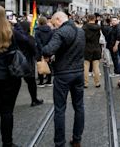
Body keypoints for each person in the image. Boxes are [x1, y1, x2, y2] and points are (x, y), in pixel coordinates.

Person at [42, 12, 85, 147]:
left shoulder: (61, 33)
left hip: (63, 74)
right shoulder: (81, 32)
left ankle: (59, 143)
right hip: (78, 72)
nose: (55, 27)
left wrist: (46, 52)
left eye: (55, 24)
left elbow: (48, 50)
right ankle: (77, 139)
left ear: (59, 19)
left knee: (60, 109)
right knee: (79, 107)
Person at [0, 6, 29, 147]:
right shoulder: (10, 33)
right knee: (7, 111)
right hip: (8, 78)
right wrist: (15, 24)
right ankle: (7, 143)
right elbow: (26, 40)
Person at [19, 21, 44, 107]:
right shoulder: (29, 38)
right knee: (31, 82)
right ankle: (34, 100)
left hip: (15, 63)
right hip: (27, 63)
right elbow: (34, 50)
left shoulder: (15, 37)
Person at [82, 14, 101, 88]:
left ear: (88, 18)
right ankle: (97, 83)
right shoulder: (98, 27)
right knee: (96, 66)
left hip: (87, 48)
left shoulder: (84, 27)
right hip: (96, 47)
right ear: (95, 18)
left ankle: (85, 83)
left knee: (86, 66)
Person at [35, 16, 54, 87]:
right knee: (49, 65)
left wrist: (42, 50)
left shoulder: (37, 31)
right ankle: (49, 81)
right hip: (48, 50)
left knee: (40, 64)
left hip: (40, 51)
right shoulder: (51, 30)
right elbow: (51, 41)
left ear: (39, 22)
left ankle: (41, 82)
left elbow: (38, 42)